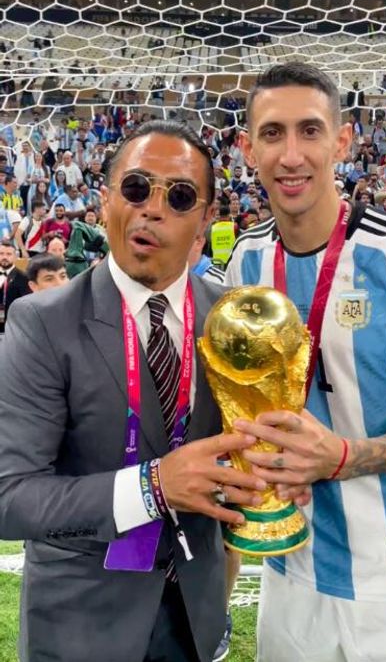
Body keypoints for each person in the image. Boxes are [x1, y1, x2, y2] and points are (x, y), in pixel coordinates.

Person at [0, 120, 267, 660]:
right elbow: (10, 496)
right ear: (105, 199)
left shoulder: (232, 318)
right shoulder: (41, 322)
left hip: (195, 618)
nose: (152, 208)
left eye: (181, 196)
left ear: (206, 219)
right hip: (82, 628)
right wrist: (153, 487)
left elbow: (240, 458)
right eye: (137, 187)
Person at [225, 62, 386, 661]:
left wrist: (340, 457)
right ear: (247, 148)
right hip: (287, 569)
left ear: (342, 141)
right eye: (272, 134)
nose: (291, 155)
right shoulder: (244, 264)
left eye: (309, 131)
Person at [0, 239, 29, 337]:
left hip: (12, 328)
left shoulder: (24, 277)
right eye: (1, 253)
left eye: (8, 254)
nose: (4, 257)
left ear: (16, 257)